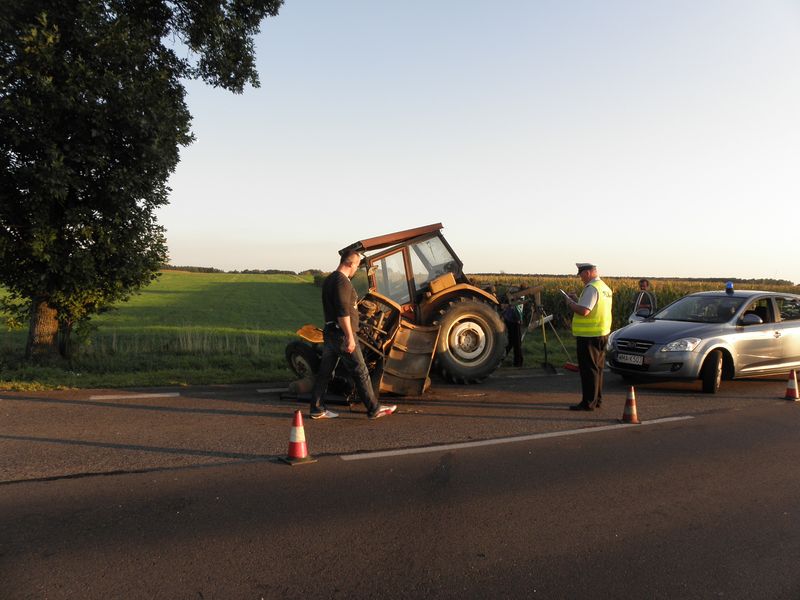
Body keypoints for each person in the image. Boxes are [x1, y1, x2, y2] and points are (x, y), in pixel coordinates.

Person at [309, 250, 396, 420]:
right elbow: (343, 312)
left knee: (325, 372)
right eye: (357, 265)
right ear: (350, 264)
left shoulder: (330, 280)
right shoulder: (342, 282)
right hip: (342, 334)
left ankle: (317, 408)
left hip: (330, 332)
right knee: (360, 370)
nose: (357, 268)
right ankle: (374, 408)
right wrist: (349, 336)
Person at [563, 263, 613, 411]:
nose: (581, 279)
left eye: (581, 275)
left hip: (589, 336)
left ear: (588, 273)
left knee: (588, 370)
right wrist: (577, 299)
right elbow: (594, 307)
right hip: (602, 333)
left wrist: (570, 303)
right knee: (597, 368)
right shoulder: (604, 287)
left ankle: (588, 402)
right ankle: (597, 400)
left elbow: (584, 311)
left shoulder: (592, 288)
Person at [502, 287, 524, 367]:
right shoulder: (514, 299)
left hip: (510, 321)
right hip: (513, 322)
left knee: (511, 342)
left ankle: (501, 359)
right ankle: (518, 363)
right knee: (517, 343)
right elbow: (515, 307)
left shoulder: (510, 298)